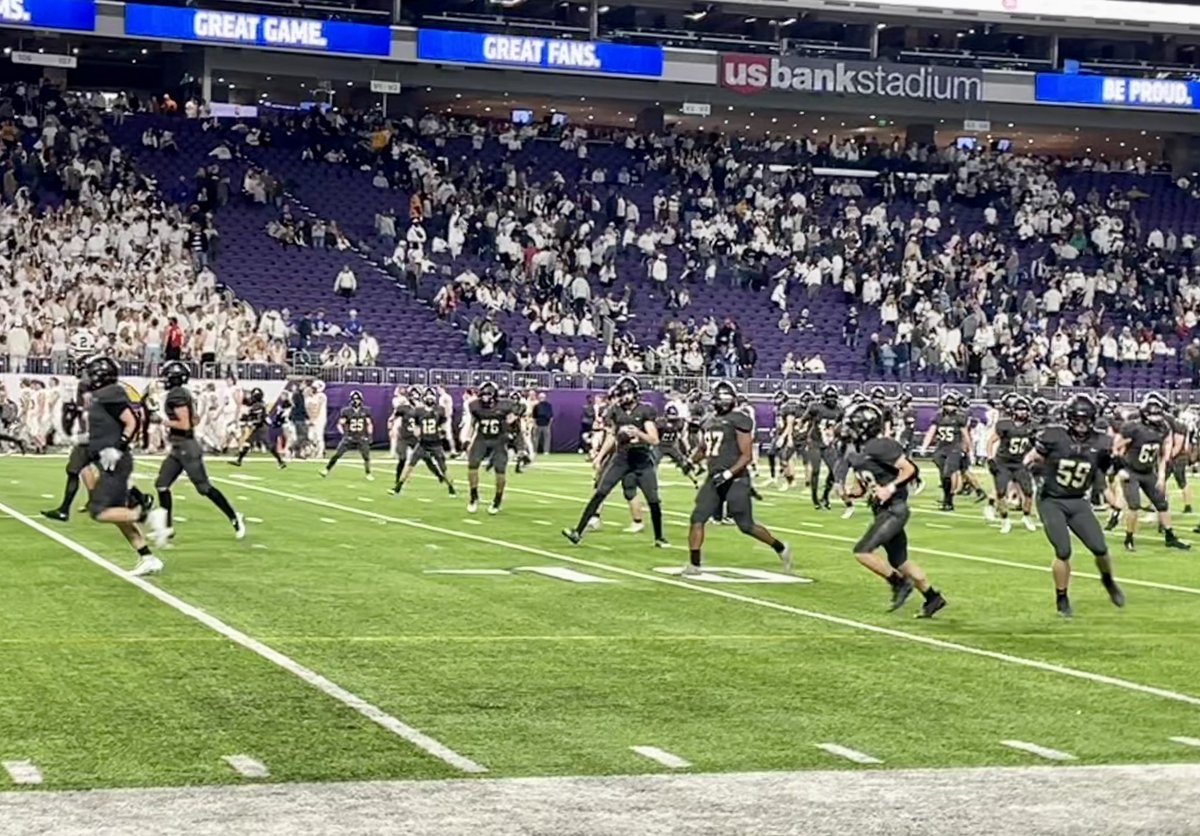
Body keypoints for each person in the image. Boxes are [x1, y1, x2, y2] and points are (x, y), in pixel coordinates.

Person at [1023, 394, 1125, 617]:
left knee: (1100, 548)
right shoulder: (1054, 436)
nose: (1081, 425)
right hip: (1052, 500)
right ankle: (1062, 597)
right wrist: (1033, 467)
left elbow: (1101, 474)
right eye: (1077, 419)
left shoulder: (1100, 442)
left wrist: (1111, 494)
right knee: (1063, 551)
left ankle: (1108, 580)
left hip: (1079, 500)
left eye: (1086, 419)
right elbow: (1031, 458)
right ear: (1068, 418)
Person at [842, 402, 946, 618]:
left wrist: (890, 488)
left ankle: (899, 583)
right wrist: (852, 492)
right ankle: (932, 597)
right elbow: (866, 483)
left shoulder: (881, 445)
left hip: (894, 509)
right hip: (882, 510)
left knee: (862, 551)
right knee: (899, 561)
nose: (848, 428)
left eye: (852, 424)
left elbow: (910, 469)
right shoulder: (859, 451)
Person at [684, 379, 792, 575]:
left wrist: (728, 473)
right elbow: (704, 447)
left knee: (746, 526)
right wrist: (691, 460)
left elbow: (746, 455)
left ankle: (780, 547)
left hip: (736, 479)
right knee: (697, 518)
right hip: (714, 478)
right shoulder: (708, 420)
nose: (722, 403)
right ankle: (694, 565)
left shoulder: (739, 420)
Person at [78, 355, 168, 576]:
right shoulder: (100, 395)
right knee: (119, 516)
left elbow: (131, 422)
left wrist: (118, 447)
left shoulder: (112, 393)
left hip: (115, 460)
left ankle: (148, 516)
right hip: (105, 458)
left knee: (100, 513)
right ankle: (147, 557)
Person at [562, 375, 666, 547]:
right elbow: (611, 436)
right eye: (622, 393)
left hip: (642, 458)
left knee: (653, 499)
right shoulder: (615, 411)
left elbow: (654, 440)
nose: (625, 397)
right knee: (600, 492)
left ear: (635, 393)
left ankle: (659, 537)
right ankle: (578, 532)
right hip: (622, 458)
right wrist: (600, 456)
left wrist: (638, 433)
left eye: (628, 393)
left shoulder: (644, 411)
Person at [152, 361, 245, 543]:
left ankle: (234, 517)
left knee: (204, 488)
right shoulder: (182, 393)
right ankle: (167, 528)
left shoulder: (176, 394)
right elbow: (194, 419)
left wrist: (162, 421)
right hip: (179, 447)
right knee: (162, 484)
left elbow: (185, 424)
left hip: (187, 447)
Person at [1114, 394, 1190, 552]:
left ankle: (1170, 537)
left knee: (1162, 503)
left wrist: (1161, 475)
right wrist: (1120, 468)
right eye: (1152, 415)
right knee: (1133, 505)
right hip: (1131, 471)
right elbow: (1115, 448)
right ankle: (1129, 538)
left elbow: (1164, 454)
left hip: (1148, 471)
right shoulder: (1133, 427)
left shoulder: (1163, 428)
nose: (1156, 419)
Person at [42, 376, 92, 522]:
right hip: (89, 435)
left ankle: (139, 498)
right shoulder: (90, 387)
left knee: (111, 471)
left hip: (96, 435)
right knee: (75, 469)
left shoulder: (92, 387)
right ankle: (64, 510)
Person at [986, 394, 1038, 535]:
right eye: (1020, 410)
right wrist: (990, 458)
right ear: (1013, 411)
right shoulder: (1005, 425)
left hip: (1020, 463)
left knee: (1028, 492)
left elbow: (1036, 445)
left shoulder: (1032, 426)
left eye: (1025, 410)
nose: (1023, 413)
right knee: (1001, 492)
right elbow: (991, 441)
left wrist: (1031, 458)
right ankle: (1004, 519)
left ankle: (1026, 516)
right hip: (1003, 462)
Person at [392, 387, 456, 496]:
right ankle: (398, 487)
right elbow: (417, 428)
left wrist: (440, 432)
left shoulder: (437, 410)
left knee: (443, 467)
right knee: (410, 465)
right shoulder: (420, 411)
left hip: (434, 443)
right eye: (428, 397)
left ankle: (451, 487)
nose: (430, 399)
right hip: (424, 443)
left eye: (431, 397)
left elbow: (443, 425)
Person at [466, 381, 516, 514]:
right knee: (472, 465)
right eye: (482, 395)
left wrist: (513, 418)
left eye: (487, 395)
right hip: (482, 438)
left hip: (498, 440)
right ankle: (473, 496)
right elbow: (473, 423)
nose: (484, 398)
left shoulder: (504, 405)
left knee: (500, 470)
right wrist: (467, 438)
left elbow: (520, 409)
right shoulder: (475, 406)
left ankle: (497, 499)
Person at [920, 391, 972, 512]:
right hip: (941, 448)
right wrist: (924, 446)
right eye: (948, 404)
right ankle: (946, 498)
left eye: (952, 404)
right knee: (943, 476)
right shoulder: (938, 416)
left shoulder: (960, 417)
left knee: (948, 473)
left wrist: (969, 450)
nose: (950, 407)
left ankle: (949, 500)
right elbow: (931, 431)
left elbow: (965, 435)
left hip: (954, 448)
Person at [802, 385, 844, 511]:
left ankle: (825, 496)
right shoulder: (816, 407)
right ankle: (815, 498)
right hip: (815, 442)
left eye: (833, 397)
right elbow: (804, 420)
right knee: (816, 470)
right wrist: (801, 428)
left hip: (829, 444)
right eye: (829, 397)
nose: (832, 400)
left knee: (834, 471)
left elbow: (841, 426)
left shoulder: (839, 410)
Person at [320, 390, 375, 480]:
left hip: (361, 437)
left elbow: (369, 424)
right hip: (350, 437)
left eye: (357, 399)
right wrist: (344, 433)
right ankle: (326, 470)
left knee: (366, 457)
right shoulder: (346, 411)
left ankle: (368, 473)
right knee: (337, 454)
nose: (356, 401)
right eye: (354, 399)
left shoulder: (366, 410)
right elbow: (340, 424)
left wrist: (369, 435)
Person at [232, 388, 287, 468]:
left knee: (269, 446)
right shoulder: (258, 404)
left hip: (261, 428)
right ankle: (239, 460)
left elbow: (259, 419)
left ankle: (280, 461)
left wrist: (249, 420)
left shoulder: (258, 405)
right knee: (248, 443)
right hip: (259, 427)